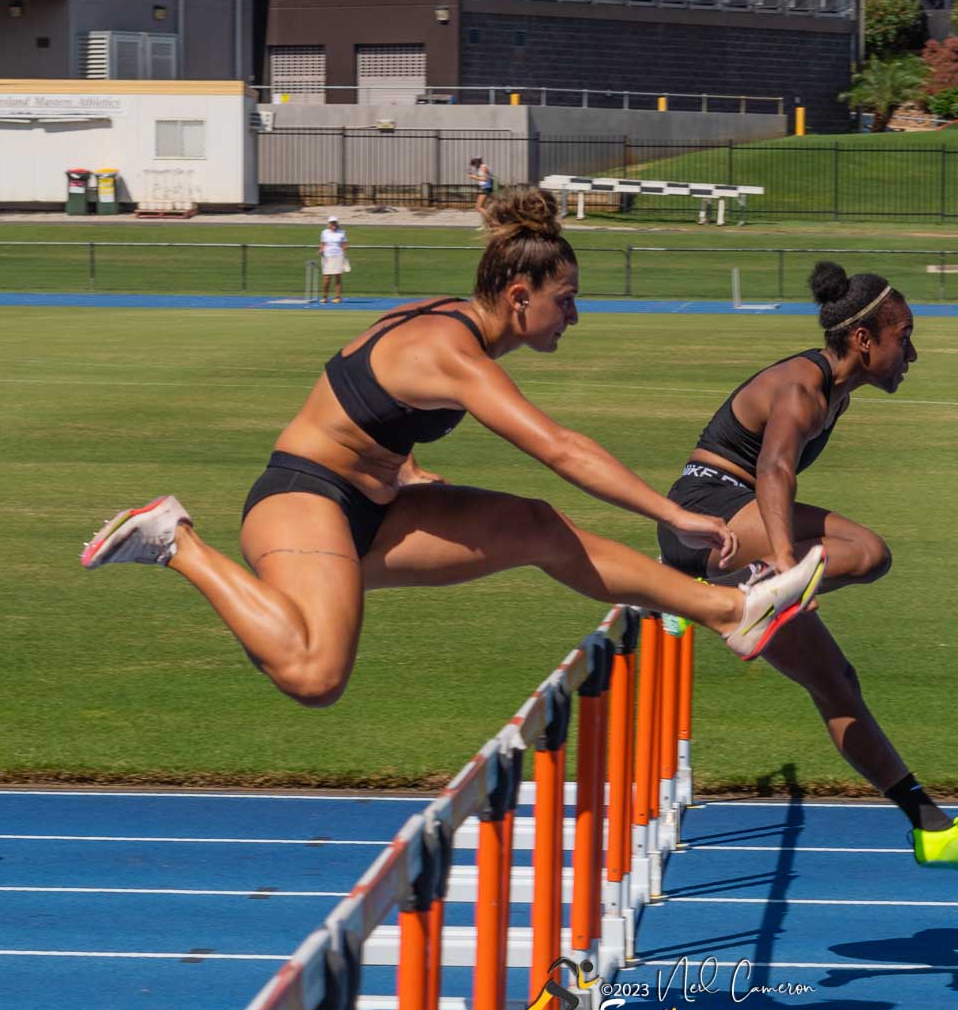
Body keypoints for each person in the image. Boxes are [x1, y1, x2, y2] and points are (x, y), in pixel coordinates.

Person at [80, 187, 826, 709]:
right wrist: (674, 514)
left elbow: (360, 394)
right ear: (519, 296)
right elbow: (560, 448)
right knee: (314, 675)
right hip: (301, 500)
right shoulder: (454, 351)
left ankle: (732, 611)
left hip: (373, 506)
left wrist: (401, 466)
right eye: (566, 300)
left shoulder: (445, 324)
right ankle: (174, 539)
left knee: (535, 526)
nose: (575, 316)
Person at [656, 260, 958, 878]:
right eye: (904, 337)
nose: (913, 353)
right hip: (705, 514)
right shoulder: (803, 387)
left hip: (731, 531)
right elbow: (775, 469)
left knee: (837, 683)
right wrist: (783, 566)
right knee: (868, 551)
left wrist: (781, 572)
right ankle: (724, 593)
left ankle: (931, 827)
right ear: (863, 339)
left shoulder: (837, 393)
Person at [318, 215, 348, 303]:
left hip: (338, 256)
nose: (333, 224)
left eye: (335, 222)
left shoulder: (342, 232)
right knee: (327, 278)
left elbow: (345, 244)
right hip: (327, 256)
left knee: (338, 277)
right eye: (332, 222)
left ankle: (337, 297)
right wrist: (321, 249)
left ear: (337, 223)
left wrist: (343, 251)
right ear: (329, 223)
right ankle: (325, 297)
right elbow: (322, 244)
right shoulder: (324, 232)